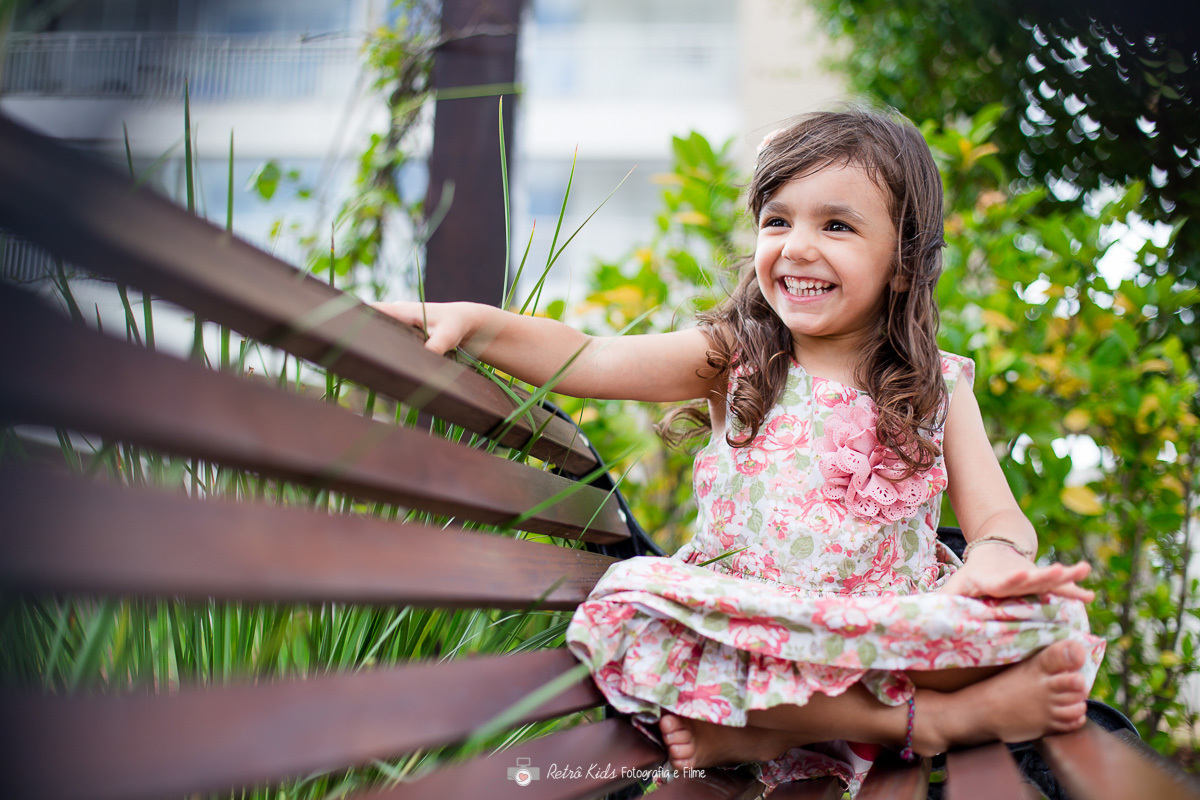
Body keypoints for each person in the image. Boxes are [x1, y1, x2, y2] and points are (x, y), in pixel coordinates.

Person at [373, 108, 1106, 796]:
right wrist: (472, 322)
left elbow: (999, 521)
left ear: (906, 263)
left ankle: (763, 730)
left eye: (838, 225)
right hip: (748, 627)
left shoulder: (940, 385)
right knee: (633, 612)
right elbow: (591, 356)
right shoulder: (738, 356)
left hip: (877, 634)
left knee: (1048, 628)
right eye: (777, 219)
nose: (797, 246)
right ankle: (923, 724)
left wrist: (994, 570)